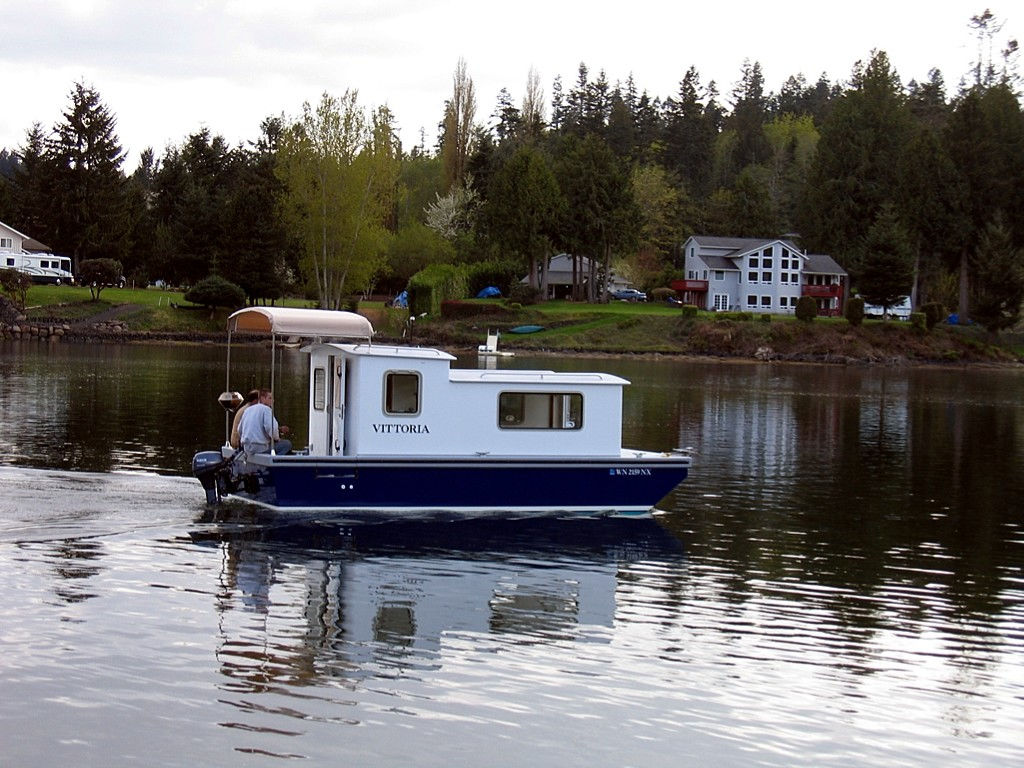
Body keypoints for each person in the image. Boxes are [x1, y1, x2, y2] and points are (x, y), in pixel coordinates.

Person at [238, 389, 292, 456]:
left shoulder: (247, 410)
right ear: (262, 398)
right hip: (260, 448)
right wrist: (277, 438)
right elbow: (271, 428)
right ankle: (276, 460)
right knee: (287, 444)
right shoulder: (266, 409)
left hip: (247, 448)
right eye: (270, 398)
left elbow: (239, 430)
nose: (272, 401)